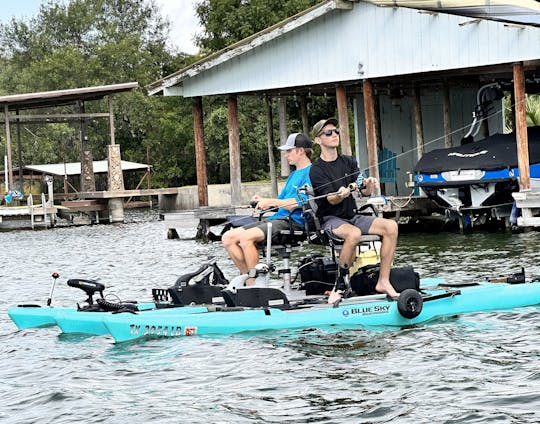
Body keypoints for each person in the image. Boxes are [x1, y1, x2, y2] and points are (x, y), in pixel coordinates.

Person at [309, 118, 399, 300]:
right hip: (330, 220)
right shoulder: (316, 170)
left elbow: (362, 189)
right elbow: (331, 200)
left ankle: (383, 281)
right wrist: (339, 194)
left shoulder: (349, 162)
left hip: (353, 216)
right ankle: (340, 285)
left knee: (391, 227)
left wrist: (368, 184)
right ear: (318, 140)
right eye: (328, 132)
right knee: (354, 234)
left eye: (336, 131)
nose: (334, 135)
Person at [222, 133, 313, 285]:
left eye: (289, 151)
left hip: (294, 223)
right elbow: (281, 201)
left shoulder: (312, 172)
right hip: (278, 219)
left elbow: (301, 202)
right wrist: (263, 201)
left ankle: (255, 285)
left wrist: (271, 201)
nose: (285, 155)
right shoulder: (293, 175)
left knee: (246, 238)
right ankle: (250, 282)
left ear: (301, 151)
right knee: (228, 238)